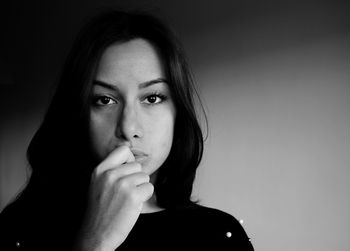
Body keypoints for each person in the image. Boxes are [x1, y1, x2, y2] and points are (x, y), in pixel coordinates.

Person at [0, 10, 254, 251]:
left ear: (178, 112)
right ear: (77, 111)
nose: (128, 128)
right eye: (104, 100)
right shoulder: (20, 228)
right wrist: (94, 242)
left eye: (152, 98)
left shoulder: (218, 234)